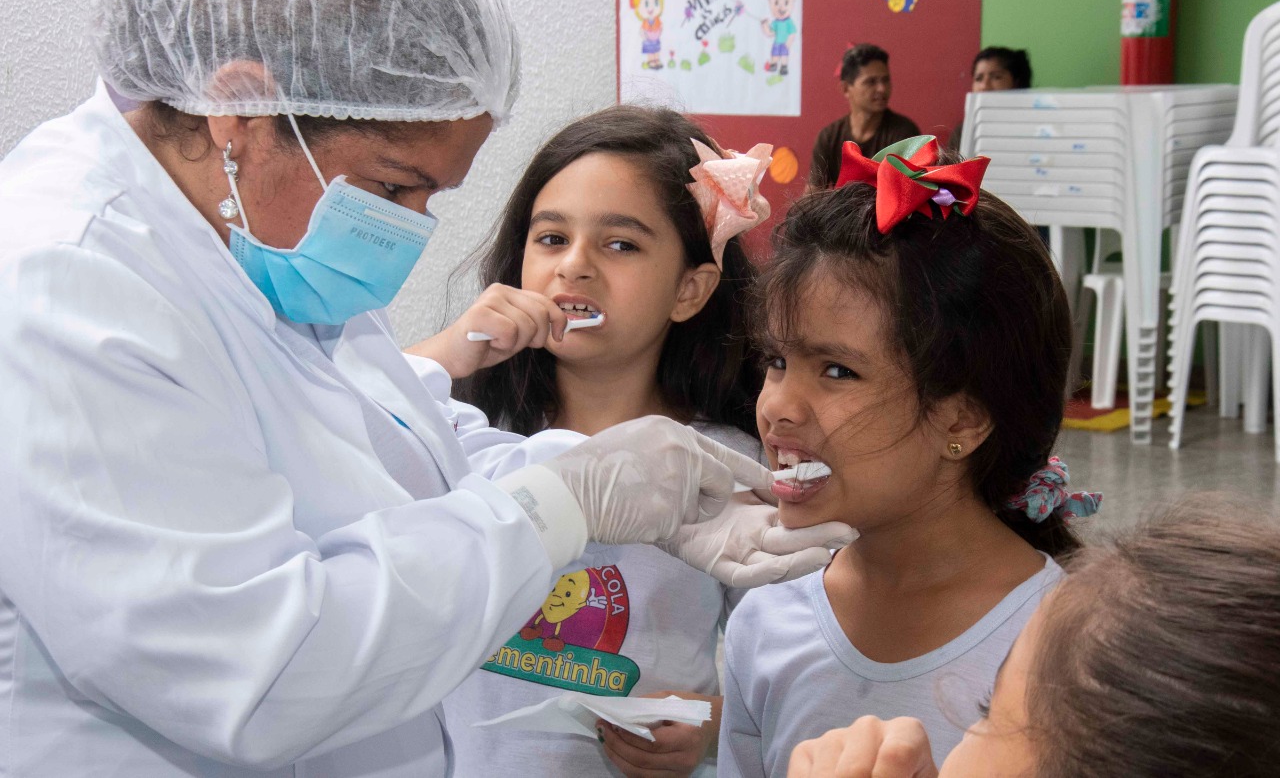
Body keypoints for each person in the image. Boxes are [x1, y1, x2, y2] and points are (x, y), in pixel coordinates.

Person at [0, 0, 853, 776]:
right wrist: (561, 501)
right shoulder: (71, 285)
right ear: (242, 111)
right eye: (393, 185)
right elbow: (254, 670)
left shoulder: (250, 244)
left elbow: (400, 455)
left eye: (430, 194)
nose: (405, 226)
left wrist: (601, 476)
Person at [414, 106, 795, 777]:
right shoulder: (463, 434)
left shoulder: (727, 464)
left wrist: (708, 723)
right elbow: (345, 433)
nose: (576, 267)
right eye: (552, 237)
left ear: (690, 288)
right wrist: (448, 354)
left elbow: (790, 668)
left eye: (621, 244)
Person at [718, 136, 1101, 777]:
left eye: (837, 371)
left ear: (962, 419)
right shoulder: (766, 625)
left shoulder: (1065, 647)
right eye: (778, 361)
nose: (779, 406)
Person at [786, 500, 1280, 777]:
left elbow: (710, 715)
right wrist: (702, 714)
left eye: (987, 709)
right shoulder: (774, 609)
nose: (776, 404)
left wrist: (702, 713)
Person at [809, 45, 919, 189]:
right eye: (871, 82)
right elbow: (812, 197)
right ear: (846, 88)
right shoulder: (829, 137)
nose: (882, 89)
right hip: (843, 212)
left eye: (885, 80)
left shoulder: (905, 134)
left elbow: (909, 194)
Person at [949, 46, 1033, 151]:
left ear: (1016, 82)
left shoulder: (1032, 126)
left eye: (996, 77)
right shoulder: (962, 131)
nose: (984, 86)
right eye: (978, 79)